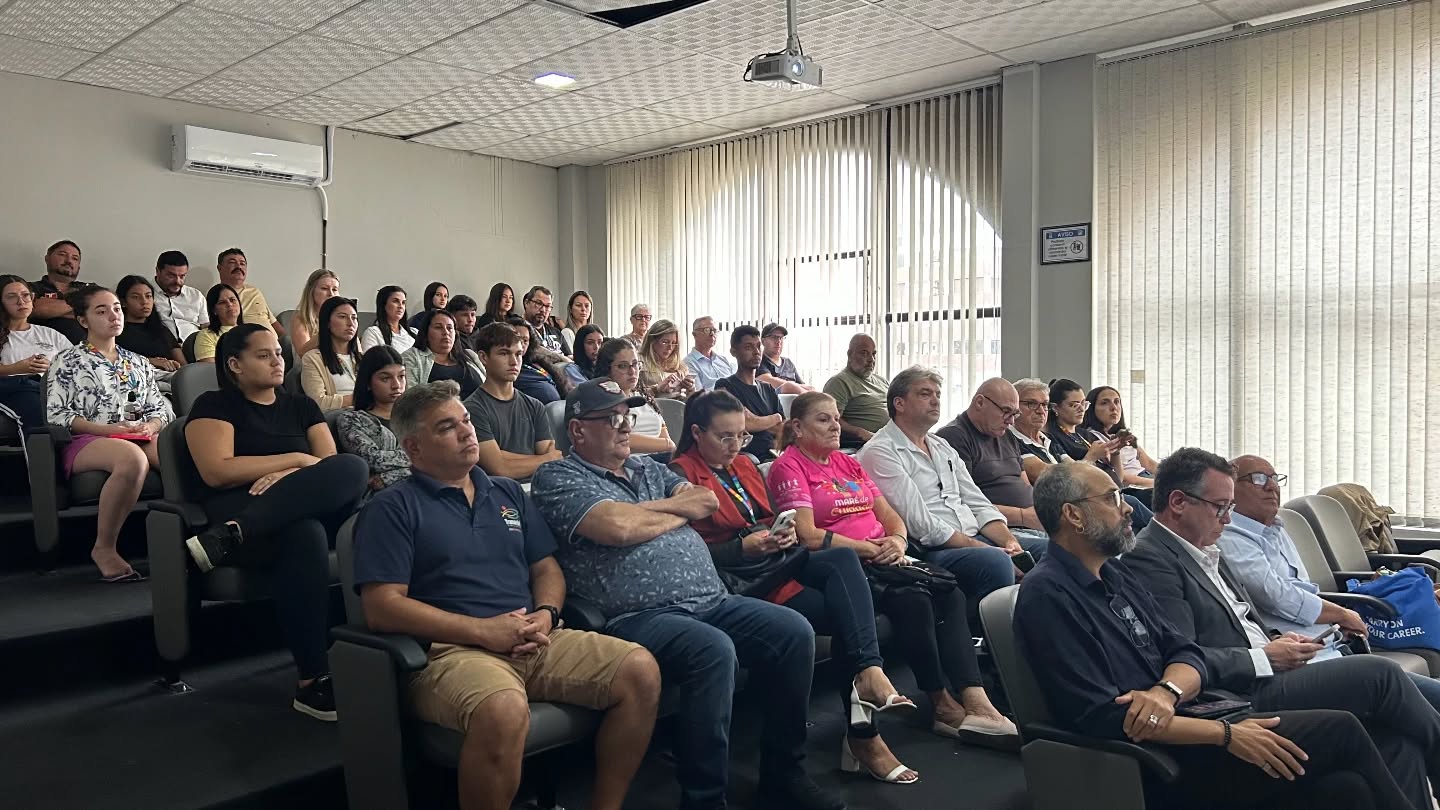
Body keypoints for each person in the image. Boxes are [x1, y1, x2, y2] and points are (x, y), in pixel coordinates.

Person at [1017, 461, 1417, 810]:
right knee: (1343, 729)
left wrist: (1165, 692)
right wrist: (1225, 735)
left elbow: (1185, 652)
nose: (1125, 508)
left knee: (1345, 790)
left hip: (1195, 718)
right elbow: (1104, 716)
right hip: (1160, 759)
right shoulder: (1048, 595)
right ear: (1073, 515)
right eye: (1110, 498)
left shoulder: (1114, 574)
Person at [531, 378, 845, 810]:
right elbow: (614, 528)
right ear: (578, 430)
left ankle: (783, 774)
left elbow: (705, 502)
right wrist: (666, 515)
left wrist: (642, 516)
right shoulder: (557, 475)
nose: (625, 427)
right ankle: (704, 800)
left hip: (712, 599)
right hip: (636, 616)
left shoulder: (648, 468)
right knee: (712, 650)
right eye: (612, 418)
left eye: (628, 416)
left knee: (793, 631)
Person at [354, 380, 660, 810]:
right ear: (414, 448)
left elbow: (545, 567)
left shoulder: (506, 492)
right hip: (451, 653)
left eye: (465, 421)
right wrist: (482, 631)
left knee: (641, 671)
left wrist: (548, 613)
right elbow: (381, 607)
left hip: (533, 636)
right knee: (502, 709)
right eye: (446, 428)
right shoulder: (392, 508)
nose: (466, 432)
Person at [1120, 448, 1440, 810]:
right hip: (1236, 694)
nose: (1228, 519)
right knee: (1380, 675)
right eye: (1221, 507)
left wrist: (1277, 640)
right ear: (1178, 502)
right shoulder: (1151, 559)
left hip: (1269, 670)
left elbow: (1243, 623)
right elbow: (1183, 655)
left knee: (1398, 742)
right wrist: (1264, 657)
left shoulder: (1203, 547)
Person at [671, 390, 919, 784]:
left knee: (841, 567)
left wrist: (778, 535)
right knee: (847, 615)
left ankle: (867, 688)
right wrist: (741, 547)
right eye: (725, 437)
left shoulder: (745, 466)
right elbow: (680, 552)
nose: (735, 446)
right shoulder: (679, 475)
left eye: (741, 436)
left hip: (773, 564)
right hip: (736, 581)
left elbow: (772, 518)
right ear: (697, 433)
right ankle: (864, 731)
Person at [768, 391, 1017, 744]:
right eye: (823, 419)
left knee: (950, 594)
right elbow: (807, 535)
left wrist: (898, 540)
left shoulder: (848, 462)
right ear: (797, 426)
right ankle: (941, 704)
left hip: (885, 556)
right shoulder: (789, 466)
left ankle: (976, 699)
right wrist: (870, 548)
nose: (835, 425)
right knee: (914, 601)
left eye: (837, 418)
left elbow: (888, 514)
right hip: (843, 565)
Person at [182, 323, 369, 720]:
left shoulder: (301, 406)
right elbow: (217, 471)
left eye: (280, 354)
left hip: (283, 511)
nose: (277, 361)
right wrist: (296, 461)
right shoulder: (214, 404)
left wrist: (293, 474)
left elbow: (330, 465)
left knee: (352, 467)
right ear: (235, 363)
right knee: (305, 534)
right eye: (264, 354)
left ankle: (233, 535)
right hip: (238, 505)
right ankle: (312, 680)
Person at [855, 368, 1020, 599]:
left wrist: (1009, 541)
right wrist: (984, 548)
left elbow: (977, 501)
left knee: (1047, 550)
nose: (935, 401)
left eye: (938, 395)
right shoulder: (880, 451)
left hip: (976, 538)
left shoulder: (941, 446)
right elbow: (920, 523)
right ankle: (994, 632)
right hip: (936, 549)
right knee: (997, 562)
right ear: (899, 403)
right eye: (925, 394)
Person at [46, 285, 172, 582]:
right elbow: (58, 414)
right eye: (101, 311)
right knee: (132, 459)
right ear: (83, 320)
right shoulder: (67, 361)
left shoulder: (139, 362)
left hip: (136, 435)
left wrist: (151, 426)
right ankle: (104, 548)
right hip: (88, 440)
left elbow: (160, 408)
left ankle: (189, 540)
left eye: (116, 308)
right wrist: (106, 430)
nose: (113, 315)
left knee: (174, 455)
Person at [1011, 377, 1153, 532]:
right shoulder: (1014, 441)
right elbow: (1056, 479)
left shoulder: (1048, 440)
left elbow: (1077, 471)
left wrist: (1115, 452)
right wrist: (1091, 457)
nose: (1040, 410)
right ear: (1014, 407)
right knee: (1131, 504)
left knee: (1133, 519)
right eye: (1031, 404)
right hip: (1067, 504)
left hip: (1097, 494)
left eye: (1044, 404)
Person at [935, 378, 1049, 560]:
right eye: (1005, 412)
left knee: (1093, 542)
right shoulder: (953, 437)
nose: (1011, 421)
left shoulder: (1006, 435)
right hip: (999, 529)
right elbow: (961, 503)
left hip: (1033, 524)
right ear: (980, 402)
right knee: (1060, 553)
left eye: (1015, 414)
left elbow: (1025, 484)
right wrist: (1023, 516)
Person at [461, 323, 561, 482]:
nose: (514, 362)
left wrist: (505, 456)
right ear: (483, 357)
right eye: (504, 353)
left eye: (518, 354)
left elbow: (551, 456)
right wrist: (544, 459)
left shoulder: (535, 405)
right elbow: (499, 468)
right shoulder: (472, 409)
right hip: (498, 495)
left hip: (537, 488)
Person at [335, 345, 411, 497]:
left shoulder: (419, 414)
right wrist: (425, 458)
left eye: (401, 376)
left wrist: (388, 477)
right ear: (368, 383)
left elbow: (442, 454)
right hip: (385, 500)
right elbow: (374, 460)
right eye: (385, 378)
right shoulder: (351, 420)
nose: (397, 385)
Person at [0, 274, 70, 431]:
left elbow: (76, 367)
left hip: (50, 389)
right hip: (14, 389)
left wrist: (51, 367)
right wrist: (16, 369)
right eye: (12, 297)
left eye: (25, 295)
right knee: (36, 407)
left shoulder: (50, 334)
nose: (21, 301)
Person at [713, 325, 783, 461]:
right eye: (748, 347)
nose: (756, 352)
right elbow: (742, 424)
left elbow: (783, 430)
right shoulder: (725, 385)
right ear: (734, 352)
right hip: (748, 457)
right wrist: (775, 418)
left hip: (775, 453)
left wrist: (757, 422)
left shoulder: (768, 388)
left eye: (758, 346)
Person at [593, 338, 674, 456]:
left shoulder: (643, 397)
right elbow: (616, 437)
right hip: (628, 463)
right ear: (607, 369)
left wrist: (668, 446)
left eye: (635, 364)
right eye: (623, 366)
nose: (632, 371)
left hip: (660, 461)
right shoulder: (603, 400)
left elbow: (666, 438)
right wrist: (666, 445)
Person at [1082, 385, 1158, 490]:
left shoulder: (1122, 434)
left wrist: (1174, 475)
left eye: (1117, 402)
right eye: (1105, 403)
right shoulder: (1092, 438)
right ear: (1091, 409)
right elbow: (1123, 478)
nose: (1114, 407)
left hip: (1149, 479)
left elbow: (1149, 463)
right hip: (1135, 486)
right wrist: (1162, 484)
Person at [822, 334, 889, 445]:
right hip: (864, 443)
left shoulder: (883, 381)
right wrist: (859, 432)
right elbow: (830, 421)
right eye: (864, 353)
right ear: (850, 355)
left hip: (892, 438)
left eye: (873, 354)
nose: (871, 360)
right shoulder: (839, 382)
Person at [402, 308, 483, 400]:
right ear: (426, 332)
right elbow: (409, 400)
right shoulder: (412, 357)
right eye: (438, 327)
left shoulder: (470, 355)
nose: (446, 332)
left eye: (449, 328)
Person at [299, 296, 361, 411]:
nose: (351, 323)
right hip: (340, 418)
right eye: (342, 317)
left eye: (354, 318)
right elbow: (318, 402)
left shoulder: (364, 358)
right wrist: (360, 399)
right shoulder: (313, 359)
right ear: (327, 322)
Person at [115, 276, 185, 376]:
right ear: (123, 302)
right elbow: (113, 362)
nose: (144, 302)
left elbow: (184, 366)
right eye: (135, 297)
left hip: (171, 380)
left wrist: (174, 365)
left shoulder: (162, 330)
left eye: (148, 296)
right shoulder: (116, 331)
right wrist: (149, 361)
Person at [30, 240, 87, 344]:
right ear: (47, 259)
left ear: (79, 266)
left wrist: (54, 309)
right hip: (41, 351)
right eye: (62, 254)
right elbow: (34, 308)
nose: (69, 260)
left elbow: (105, 312)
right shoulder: (30, 287)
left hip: (84, 353)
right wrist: (83, 307)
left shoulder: (88, 288)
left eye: (75, 258)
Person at [217, 248, 284, 334]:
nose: (239, 266)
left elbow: (273, 322)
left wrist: (290, 341)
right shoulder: (217, 295)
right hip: (247, 343)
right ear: (219, 268)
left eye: (242, 263)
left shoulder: (255, 291)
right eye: (232, 262)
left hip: (275, 344)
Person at [151, 250, 207, 341]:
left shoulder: (196, 295)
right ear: (158, 271)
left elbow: (205, 327)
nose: (177, 281)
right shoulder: (146, 295)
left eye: (182, 276)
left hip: (195, 347)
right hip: (161, 347)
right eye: (171, 276)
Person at [639, 319, 697, 400]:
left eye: (674, 343)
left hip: (678, 408)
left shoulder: (680, 366)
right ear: (652, 341)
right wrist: (656, 389)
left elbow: (690, 401)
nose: (670, 347)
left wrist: (690, 390)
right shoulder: (638, 363)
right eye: (665, 342)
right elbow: (630, 396)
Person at [288, 269, 340, 357]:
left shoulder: (343, 318)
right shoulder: (301, 318)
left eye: (335, 289)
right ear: (311, 291)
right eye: (324, 288)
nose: (331, 294)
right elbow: (302, 353)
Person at [758, 323, 813, 394]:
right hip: (774, 400)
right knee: (789, 386)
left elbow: (802, 384)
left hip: (795, 400)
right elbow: (766, 379)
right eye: (774, 337)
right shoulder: (759, 360)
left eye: (781, 338)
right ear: (763, 341)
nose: (778, 341)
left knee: (811, 388)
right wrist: (793, 386)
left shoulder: (788, 363)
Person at [194, 284, 241, 363]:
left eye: (232, 300)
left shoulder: (251, 331)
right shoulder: (207, 336)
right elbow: (210, 370)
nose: (229, 304)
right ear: (214, 310)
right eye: (222, 302)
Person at [685, 316, 735, 391]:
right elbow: (698, 396)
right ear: (694, 334)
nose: (712, 334)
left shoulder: (724, 360)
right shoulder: (688, 363)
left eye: (714, 330)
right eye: (707, 330)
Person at [360, 286, 414, 353]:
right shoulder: (373, 333)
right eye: (395, 301)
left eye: (403, 302)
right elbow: (370, 361)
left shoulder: (415, 332)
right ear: (383, 304)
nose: (400, 306)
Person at [521, 285, 570, 357]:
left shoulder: (556, 332)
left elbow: (569, 356)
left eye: (547, 306)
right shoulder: (518, 329)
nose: (543, 310)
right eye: (538, 303)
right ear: (527, 303)